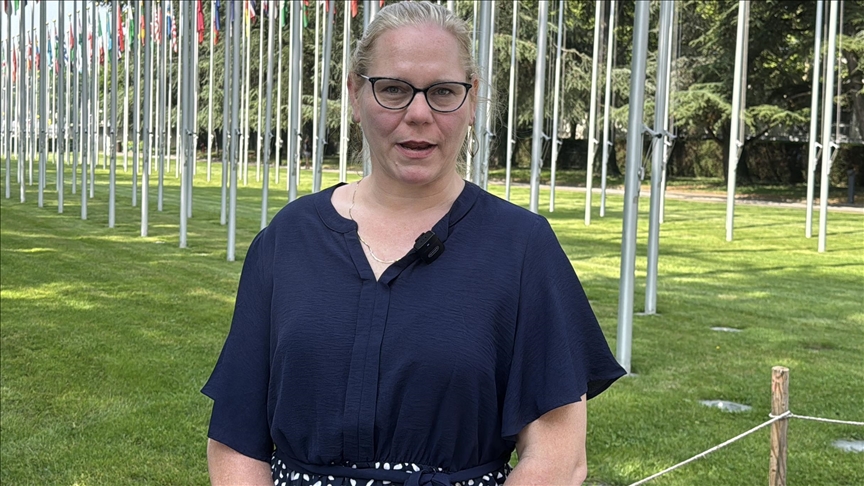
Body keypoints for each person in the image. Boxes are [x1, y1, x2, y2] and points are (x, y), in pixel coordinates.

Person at [202, 3, 625, 486]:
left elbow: (557, 457)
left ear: (472, 100)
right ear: (356, 94)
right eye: (394, 89)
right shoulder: (288, 239)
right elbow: (236, 441)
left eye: (443, 91)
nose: (419, 114)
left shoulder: (522, 248)